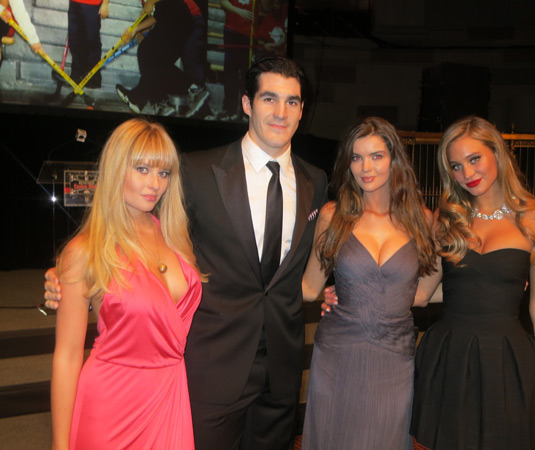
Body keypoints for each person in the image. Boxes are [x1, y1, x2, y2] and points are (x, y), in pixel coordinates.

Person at [46, 56, 329, 449]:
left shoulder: (316, 181)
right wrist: (63, 279)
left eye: (292, 101)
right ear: (247, 104)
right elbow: (117, 232)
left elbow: (299, 271)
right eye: (269, 98)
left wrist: (336, 288)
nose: (281, 112)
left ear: (302, 110)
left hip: (280, 376)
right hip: (208, 371)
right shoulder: (195, 172)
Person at [407, 116, 535, 449]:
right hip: (450, 355)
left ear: (497, 153)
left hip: (507, 358)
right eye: (456, 166)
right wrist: (354, 291)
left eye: (474, 159)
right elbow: (421, 293)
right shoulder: (447, 218)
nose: (467, 173)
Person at [51, 118, 204, 449]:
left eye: (163, 173)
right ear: (117, 169)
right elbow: (67, 355)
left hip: (171, 398)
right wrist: (60, 445)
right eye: (142, 169)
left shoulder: (175, 238)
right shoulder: (85, 251)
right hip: (111, 408)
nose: (155, 184)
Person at [301, 116, 437, 450]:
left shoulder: (423, 219)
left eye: (376, 156)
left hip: (394, 357)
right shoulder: (333, 215)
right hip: (338, 353)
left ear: (394, 159)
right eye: (356, 157)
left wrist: (495, 285)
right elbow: (309, 287)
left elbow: (423, 295)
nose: (366, 167)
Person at [115, 0, 194, 115]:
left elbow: (157, 11)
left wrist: (150, 3)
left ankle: (155, 100)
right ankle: (142, 99)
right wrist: (136, 31)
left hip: (176, 15)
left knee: (147, 52)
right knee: (157, 63)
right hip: (178, 20)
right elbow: (154, 15)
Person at [68, 0, 109, 88]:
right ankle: (76, 75)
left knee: (91, 40)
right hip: (74, 3)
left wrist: (105, 3)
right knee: (74, 39)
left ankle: (93, 79)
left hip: (92, 4)